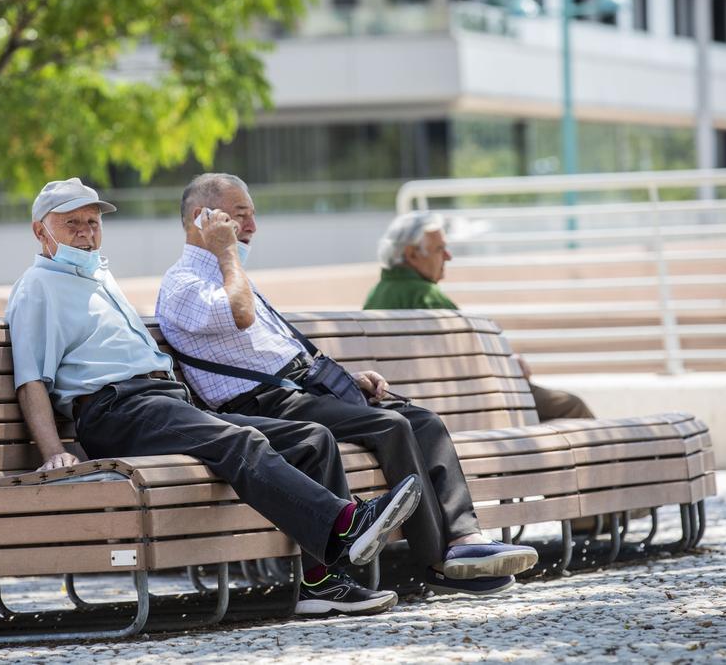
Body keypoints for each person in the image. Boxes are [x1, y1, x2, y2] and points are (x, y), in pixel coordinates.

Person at [7, 177, 423, 617]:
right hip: (118, 411)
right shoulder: (38, 287)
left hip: (164, 402)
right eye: (72, 223)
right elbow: (31, 380)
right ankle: (344, 522)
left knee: (311, 440)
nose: (87, 232)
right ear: (40, 230)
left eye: (92, 222)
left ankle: (323, 583)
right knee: (240, 442)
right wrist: (53, 453)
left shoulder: (98, 276)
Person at [156, 173, 539, 597]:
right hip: (262, 404)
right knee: (390, 426)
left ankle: (465, 539)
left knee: (423, 420)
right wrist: (227, 254)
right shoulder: (184, 283)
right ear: (201, 217)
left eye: (252, 215)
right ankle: (438, 562)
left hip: (298, 388)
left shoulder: (231, 275)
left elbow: (273, 348)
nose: (251, 226)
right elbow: (240, 316)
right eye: (240, 215)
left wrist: (347, 379)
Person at [364, 210, 594, 422]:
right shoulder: (426, 297)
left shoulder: (377, 294)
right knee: (572, 406)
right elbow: (475, 363)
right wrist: (510, 364)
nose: (448, 256)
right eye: (439, 249)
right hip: (462, 403)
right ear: (412, 254)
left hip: (410, 405)